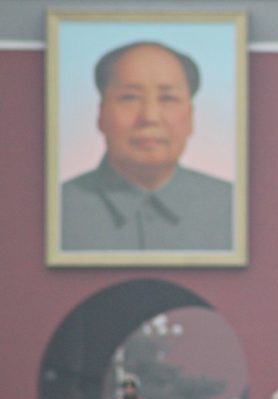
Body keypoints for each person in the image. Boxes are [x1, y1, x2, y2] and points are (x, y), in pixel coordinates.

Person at [61, 41, 232, 251]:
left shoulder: (233, 208)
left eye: (168, 98)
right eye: (129, 98)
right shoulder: (58, 209)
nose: (149, 117)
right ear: (101, 114)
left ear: (190, 117)